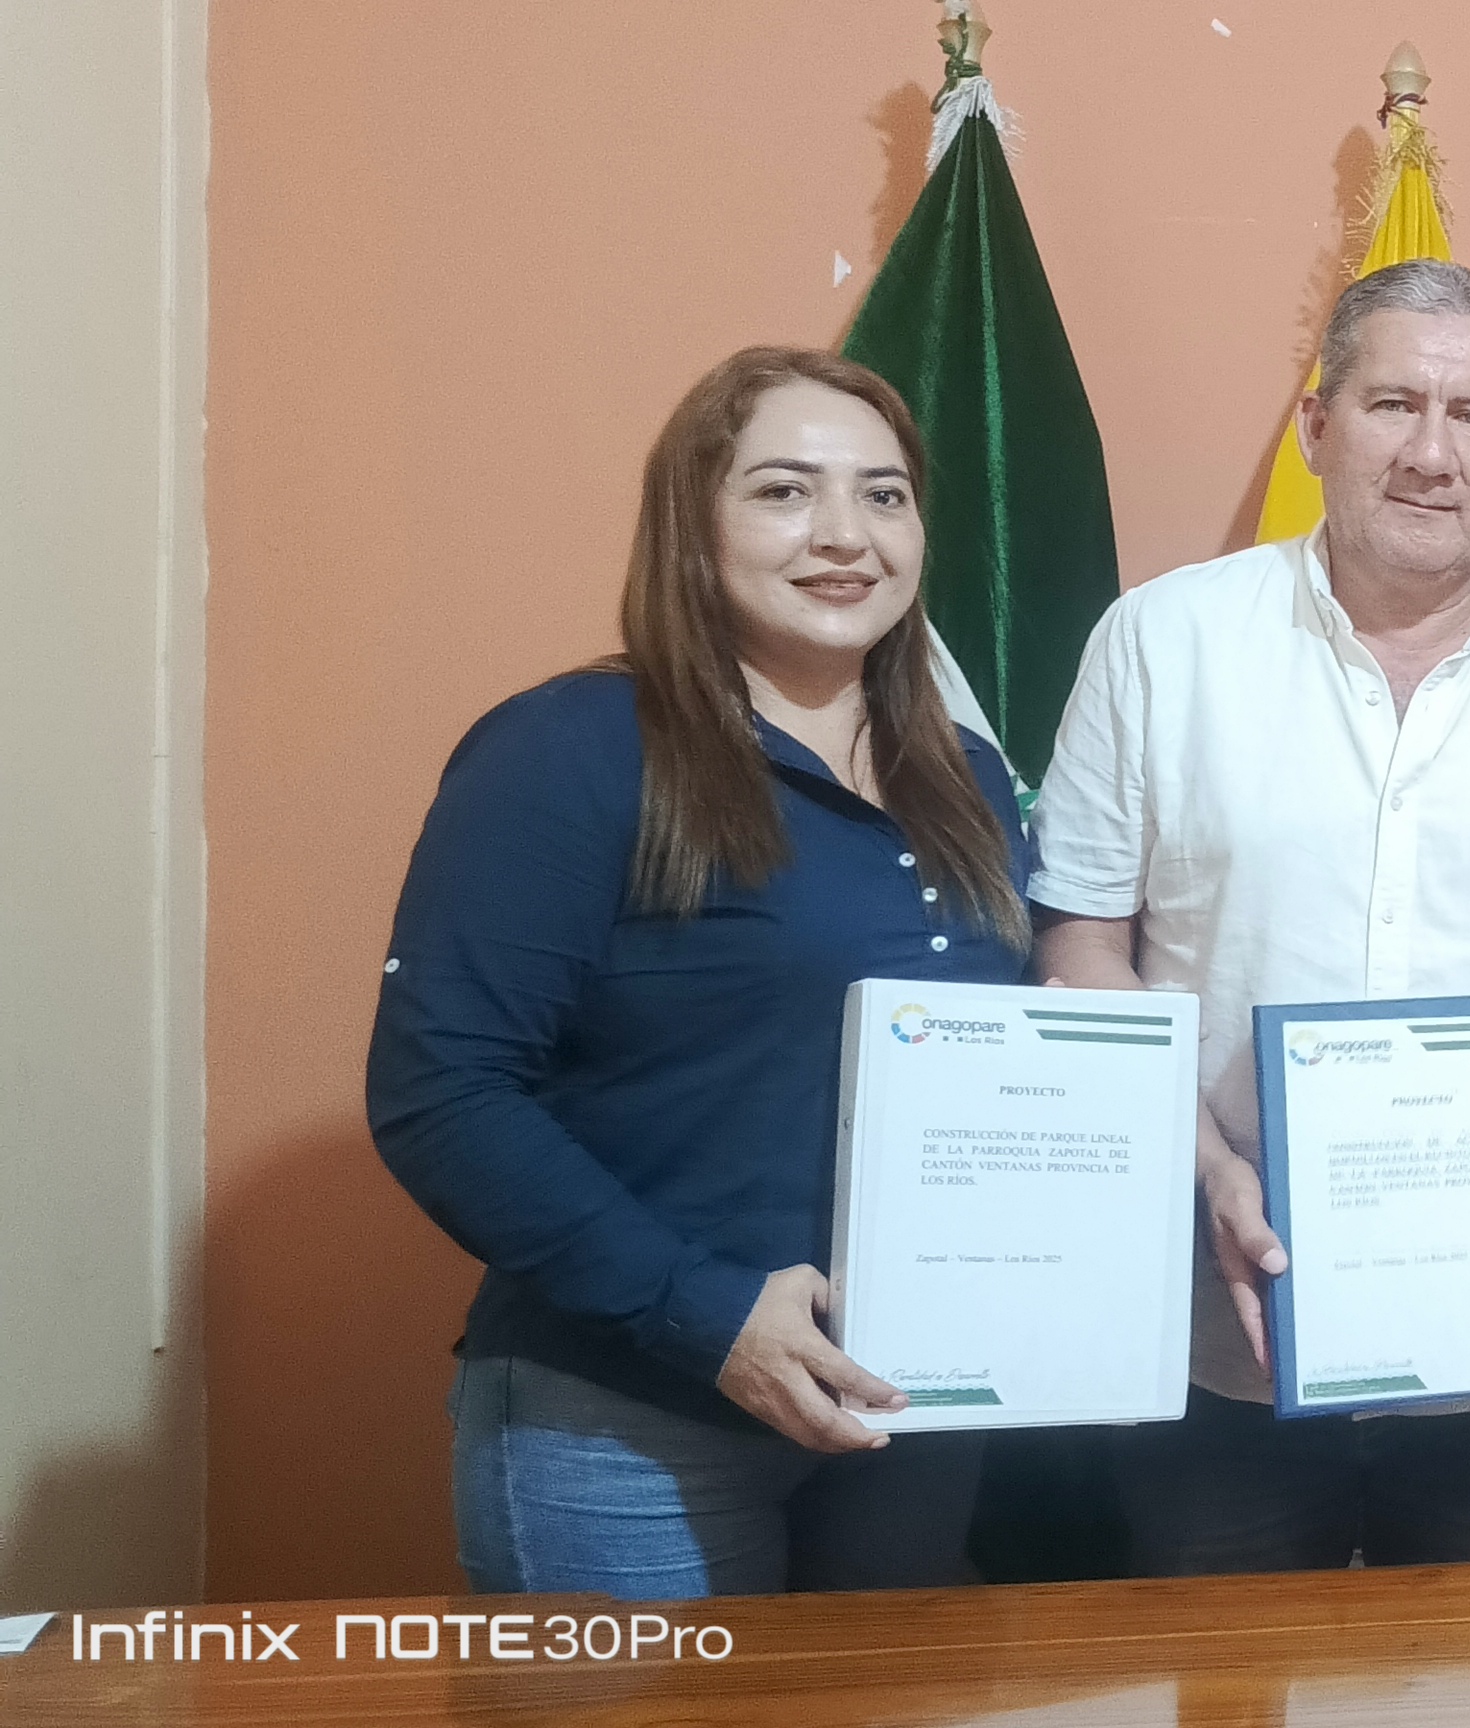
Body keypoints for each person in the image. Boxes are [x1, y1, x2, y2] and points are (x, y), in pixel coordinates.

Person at [1028, 259, 1470, 1573]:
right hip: (1227, 1322)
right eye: (1395, 404)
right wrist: (1210, 1170)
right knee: (1224, 1673)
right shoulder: (1162, 643)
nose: (1432, 453)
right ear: (1317, 426)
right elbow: (1082, 941)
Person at [367, 347, 1033, 1598]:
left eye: (884, 495)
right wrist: (705, 1314)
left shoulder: (967, 775)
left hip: (908, 1406)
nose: (845, 534)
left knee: (886, 1697)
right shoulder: (568, 751)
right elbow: (439, 1091)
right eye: (785, 491)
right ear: (693, 522)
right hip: (632, 1414)